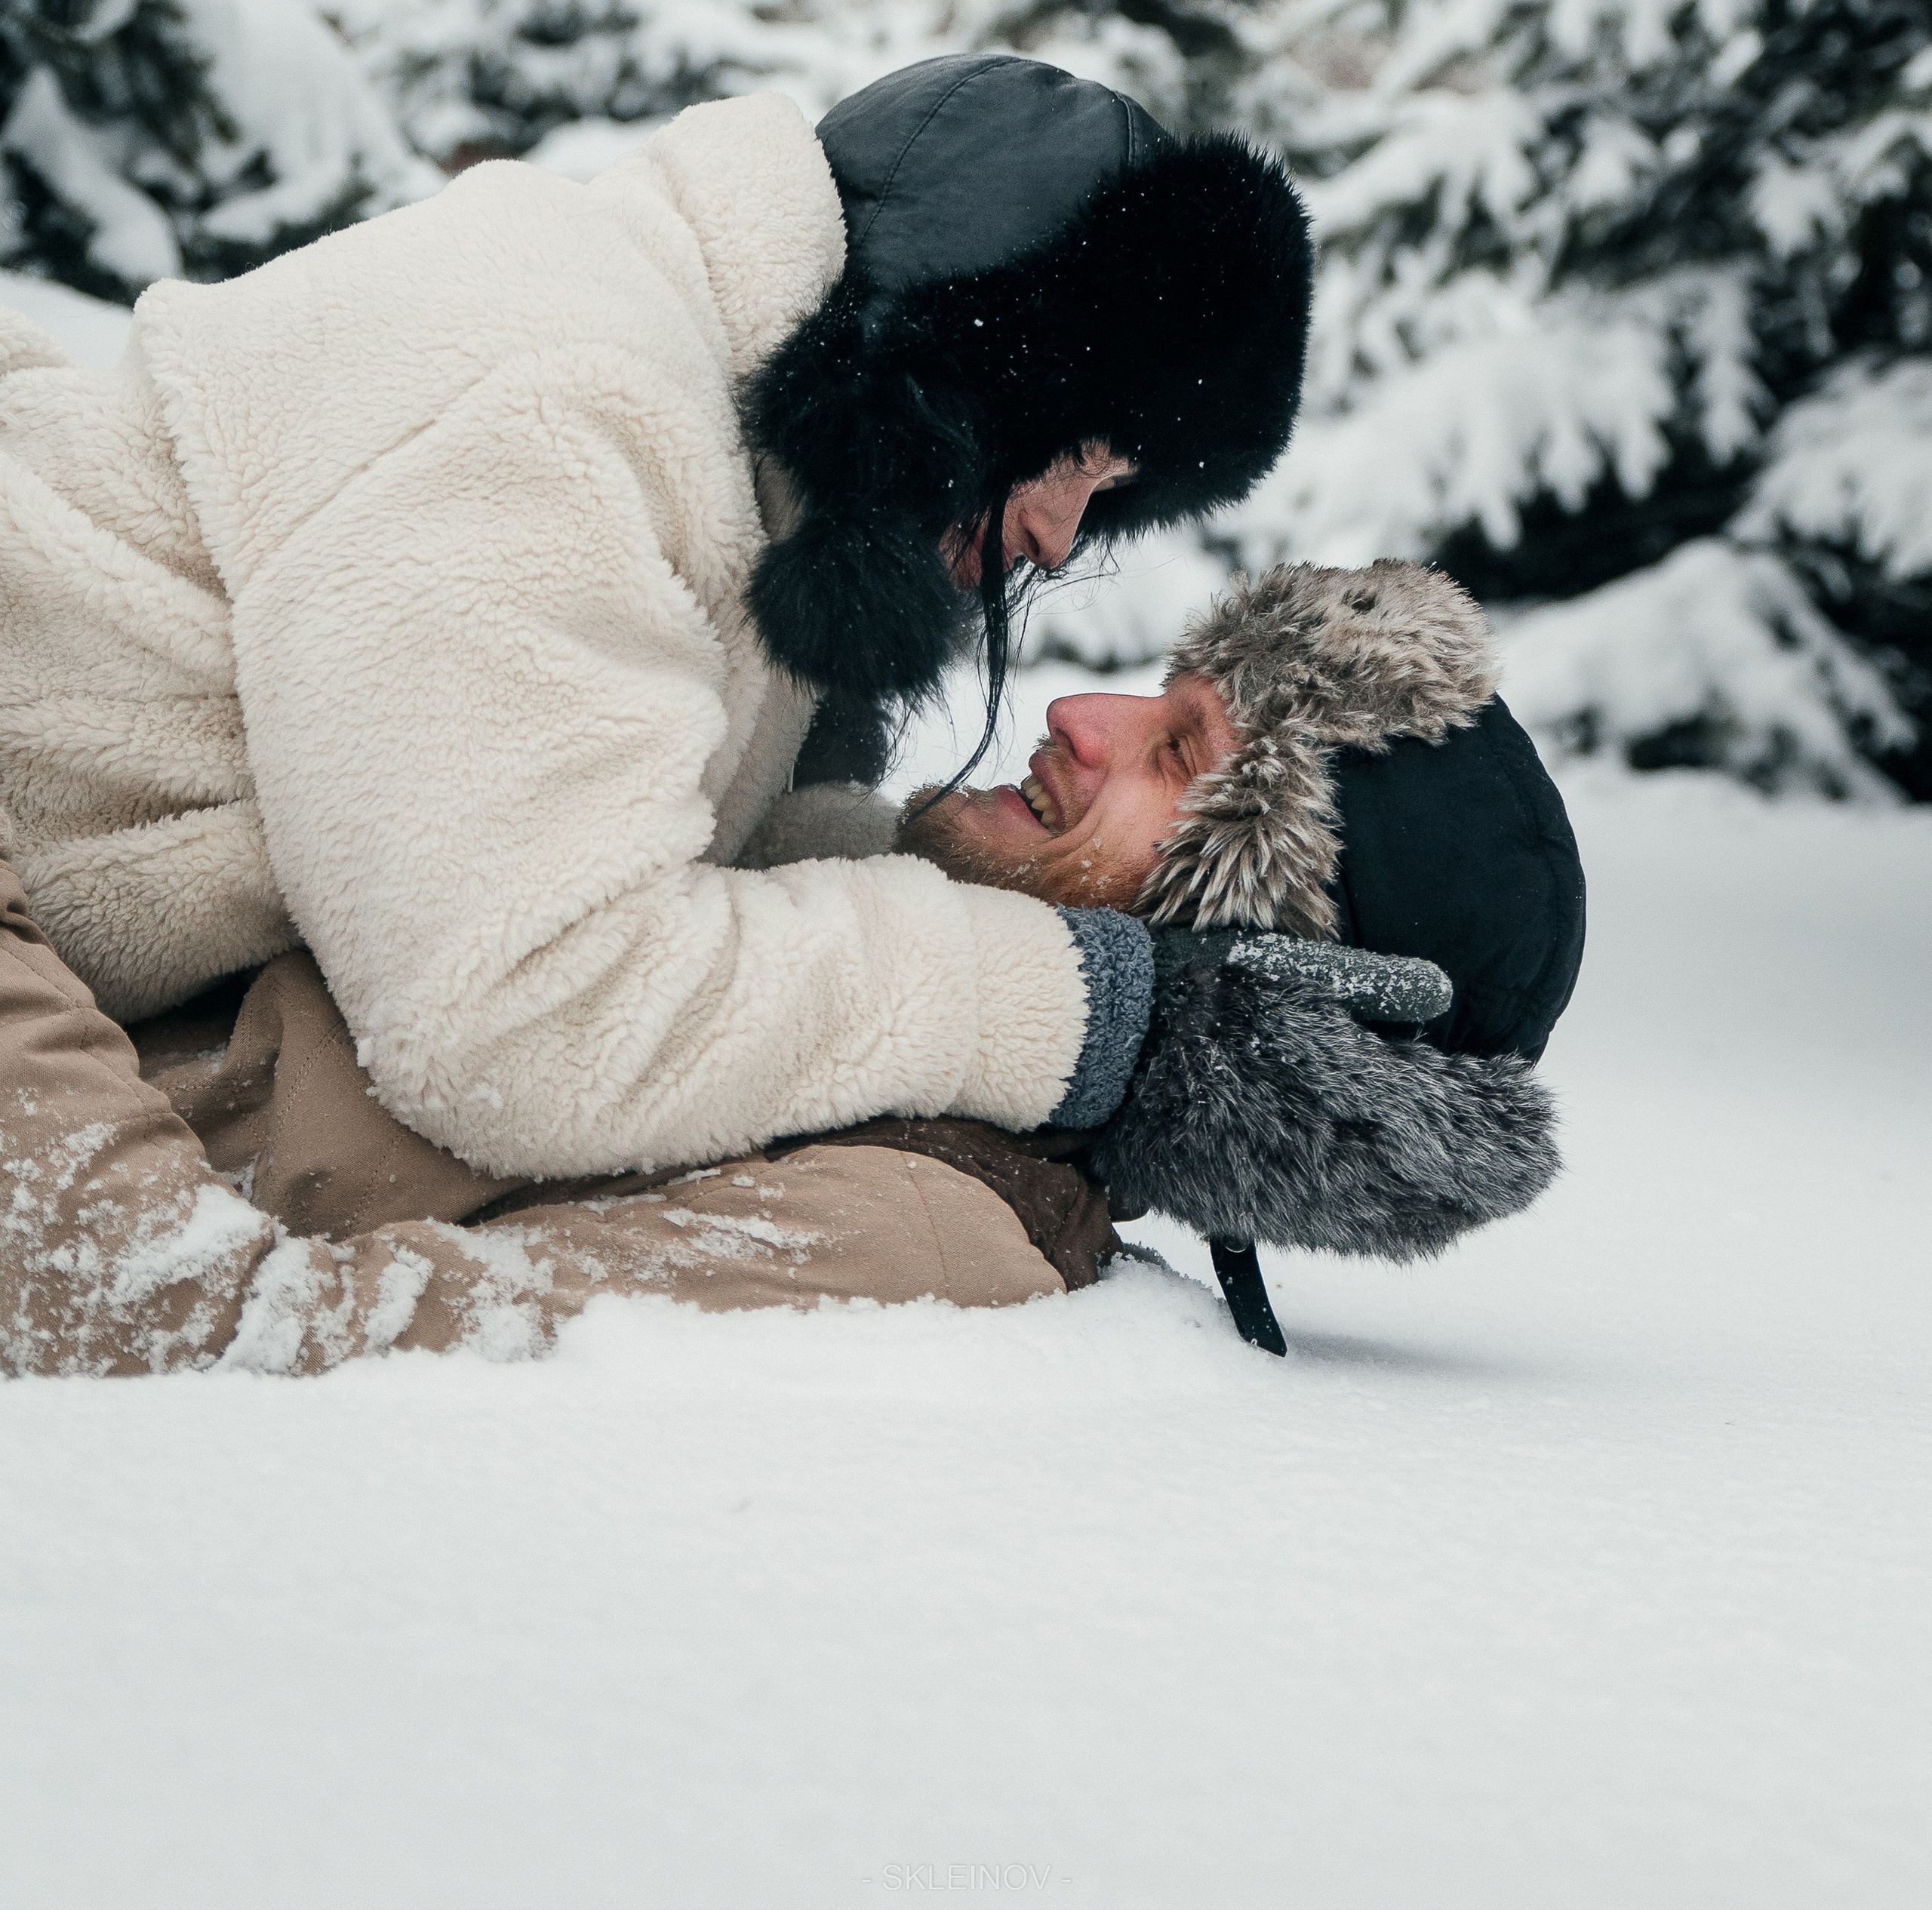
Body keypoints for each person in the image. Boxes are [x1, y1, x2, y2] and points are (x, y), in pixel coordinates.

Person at [0, 54, 1312, 1188]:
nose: (1061, 536)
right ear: (967, 352)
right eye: (1081, 455)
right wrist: (1053, 1010)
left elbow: (665, 839)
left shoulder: (740, 465)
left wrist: (1015, 895)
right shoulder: (571, 396)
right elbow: (525, 1024)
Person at [0, 559, 1579, 1376]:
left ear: (1257, 953)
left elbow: (183, 1320)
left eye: (1175, 752)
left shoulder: (916, 1212)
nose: (1074, 713)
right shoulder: (806, 904)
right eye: (1154, 683)